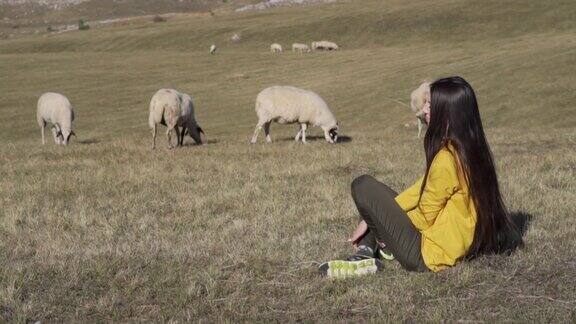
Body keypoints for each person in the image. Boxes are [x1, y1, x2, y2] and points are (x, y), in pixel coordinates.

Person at [320, 76, 523, 277]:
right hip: (456, 245)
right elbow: (422, 188)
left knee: (363, 185)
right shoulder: (471, 149)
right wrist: (373, 218)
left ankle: (368, 254)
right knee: (382, 206)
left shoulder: (448, 158)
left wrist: (383, 225)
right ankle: (370, 248)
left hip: (426, 255)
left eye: (430, 105)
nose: (424, 109)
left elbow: (424, 217)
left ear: (447, 113)